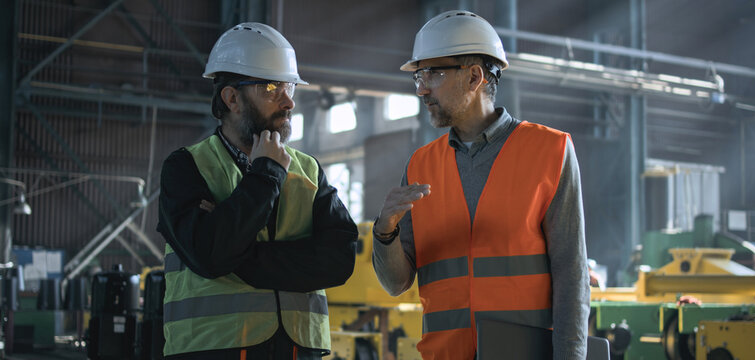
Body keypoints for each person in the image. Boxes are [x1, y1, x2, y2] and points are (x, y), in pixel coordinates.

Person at [372, 10, 590, 360]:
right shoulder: (420, 165)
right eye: (419, 76)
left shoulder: (550, 151)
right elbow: (396, 283)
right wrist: (384, 232)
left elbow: (572, 274)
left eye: (433, 73)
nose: (422, 88)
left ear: (474, 77)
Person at [157, 22, 357, 360]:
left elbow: (339, 261)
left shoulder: (308, 170)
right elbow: (209, 255)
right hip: (213, 349)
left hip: (299, 350)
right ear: (232, 97)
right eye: (271, 88)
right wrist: (266, 174)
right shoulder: (186, 167)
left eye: (289, 86)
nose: (288, 102)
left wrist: (241, 258)